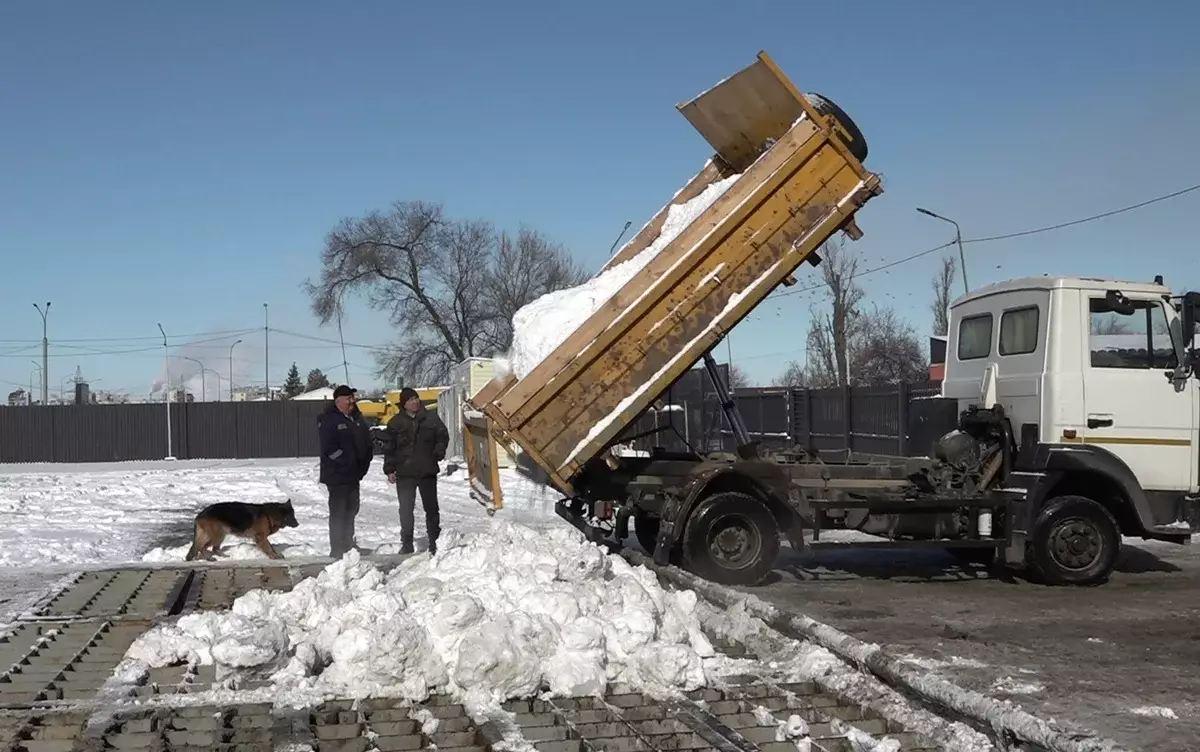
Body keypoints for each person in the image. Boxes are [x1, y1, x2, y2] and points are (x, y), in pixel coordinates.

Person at [382, 387, 450, 554]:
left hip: (427, 471)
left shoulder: (431, 419)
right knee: (405, 509)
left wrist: (438, 452)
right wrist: (390, 469)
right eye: (411, 400)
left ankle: (435, 541)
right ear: (404, 404)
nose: (415, 402)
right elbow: (390, 448)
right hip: (405, 473)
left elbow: (443, 436)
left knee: (432, 509)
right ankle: (406, 543)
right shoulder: (396, 423)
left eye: (416, 398)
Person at [317, 384, 373, 558]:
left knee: (351, 510)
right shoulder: (329, 419)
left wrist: (363, 464)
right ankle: (337, 548)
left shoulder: (356, 418)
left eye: (352, 397)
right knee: (339, 512)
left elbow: (366, 442)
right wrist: (347, 462)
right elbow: (329, 448)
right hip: (337, 476)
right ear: (338, 400)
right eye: (348, 398)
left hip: (354, 476)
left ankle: (348, 545)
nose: (352, 401)